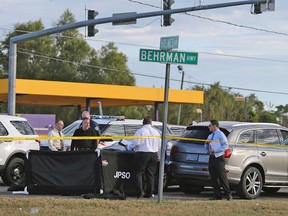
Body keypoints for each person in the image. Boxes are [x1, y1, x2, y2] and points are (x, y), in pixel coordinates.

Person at [128, 117, 161, 198]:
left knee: (138, 172)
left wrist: (129, 147)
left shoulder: (140, 131)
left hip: (142, 153)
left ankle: (139, 192)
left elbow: (136, 143)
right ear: (151, 123)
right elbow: (159, 145)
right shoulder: (156, 132)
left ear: (142, 123)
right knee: (150, 174)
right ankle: (149, 193)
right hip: (154, 154)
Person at [204, 120, 232, 201]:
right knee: (213, 177)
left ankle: (228, 195)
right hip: (212, 157)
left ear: (214, 126)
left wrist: (215, 150)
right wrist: (206, 144)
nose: (208, 127)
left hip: (219, 157)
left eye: (209, 125)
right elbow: (206, 146)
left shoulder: (220, 134)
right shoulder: (210, 136)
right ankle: (217, 195)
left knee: (222, 177)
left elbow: (225, 145)